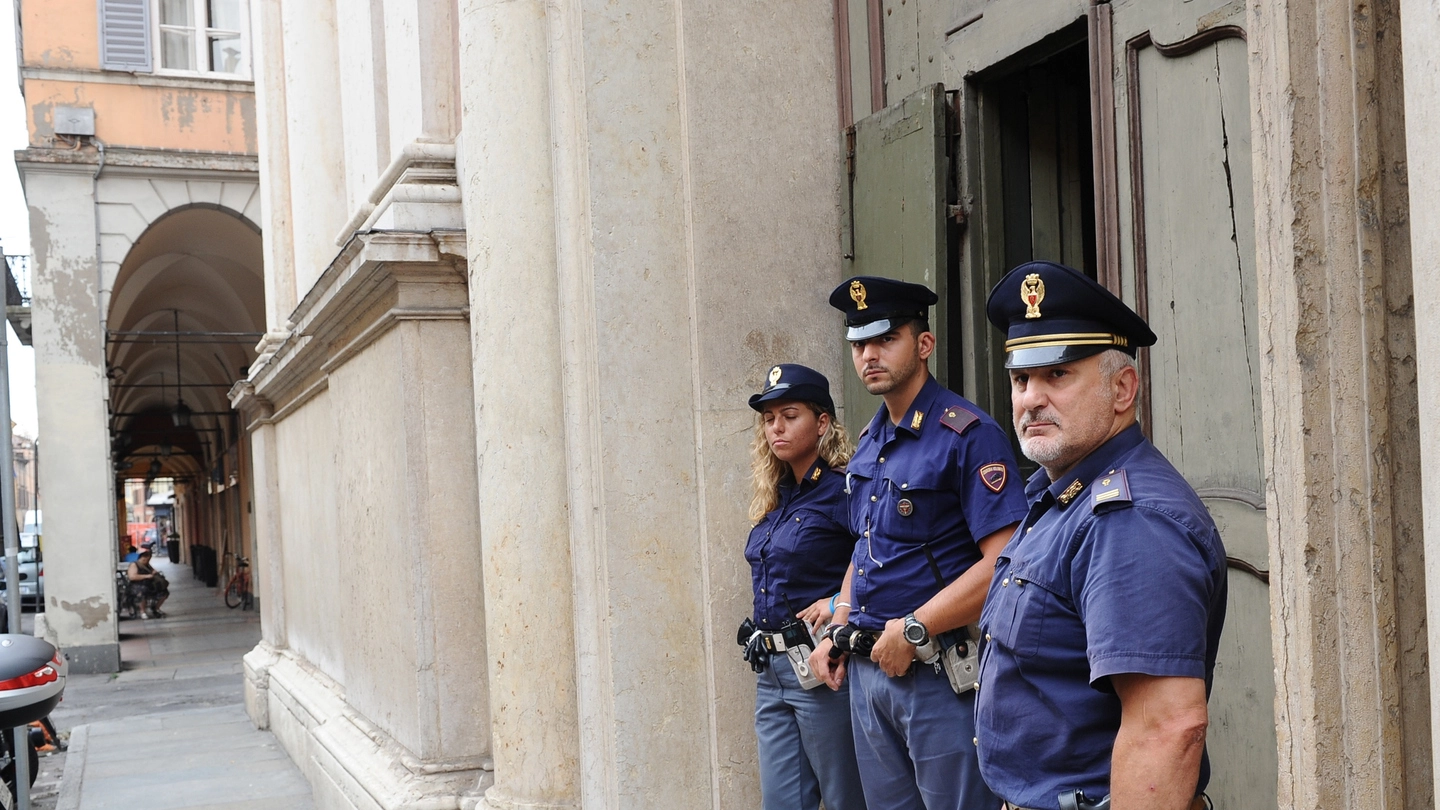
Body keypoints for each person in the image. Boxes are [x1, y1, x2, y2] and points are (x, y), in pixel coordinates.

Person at [975, 260, 1228, 810]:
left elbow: (1167, 728)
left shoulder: (1129, 520)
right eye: (1021, 379)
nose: (1031, 399)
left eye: (1057, 375)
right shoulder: (1065, 495)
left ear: (1123, 389)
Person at [808, 277, 1027, 810]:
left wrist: (916, 627)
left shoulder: (968, 435)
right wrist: (838, 622)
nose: (869, 356)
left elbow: (1005, 564)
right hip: (867, 673)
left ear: (923, 345)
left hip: (937, 675)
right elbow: (864, 547)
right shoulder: (869, 443)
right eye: (859, 344)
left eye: (885, 340)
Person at [740, 363, 868, 810]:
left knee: (845, 799)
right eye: (769, 418)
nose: (777, 426)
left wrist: (837, 601)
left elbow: (881, 556)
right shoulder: (776, 495)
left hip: (822, 664)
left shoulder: (845, 491)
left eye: (789, 414)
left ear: (822, 422)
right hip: (772, 672)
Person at [126, 549, 169, 618]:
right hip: (137, 585)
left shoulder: (147, 565)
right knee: (142, 592)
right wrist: (146, 576)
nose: (147, 561)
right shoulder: (134, 565)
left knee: (164, 592)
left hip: (149, 584)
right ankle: (142, 611)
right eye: (147, 559)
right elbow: (132, 577)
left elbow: (153, 571)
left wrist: (154, 573)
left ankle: (156, 608)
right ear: (143, 558)